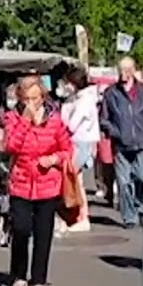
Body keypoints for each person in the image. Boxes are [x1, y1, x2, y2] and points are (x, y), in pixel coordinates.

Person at [2, 76, 73, 286]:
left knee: (44, 233)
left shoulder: (55, 120)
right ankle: (19, 277)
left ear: (43, 97)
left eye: (36, 99)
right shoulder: (12, 118)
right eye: (27, 99)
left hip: (47, 184)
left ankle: (39, 279)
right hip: (21, 182)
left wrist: (54, 159)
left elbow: (68, 150)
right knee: (21, 230)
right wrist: (24, 120)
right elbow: (10, 146)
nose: (32, 104)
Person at [99, 56, 143, 228]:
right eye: (120, 70)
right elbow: (104, 119)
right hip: (121, 145)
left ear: (133, 71)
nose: (123, 74)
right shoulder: (111, 93)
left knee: (142, 178)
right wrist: (115, 133)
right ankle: (129, 217)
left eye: (126, 70)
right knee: (123, 182)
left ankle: (140, 208)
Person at [57, 65, 99, 234]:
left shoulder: (84, 100)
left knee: (75, 180)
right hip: (80, 141)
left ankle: (82, 216)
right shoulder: (77, 99)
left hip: (80, 142)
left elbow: (72, 124)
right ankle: (79, 215)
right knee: (76, 180)